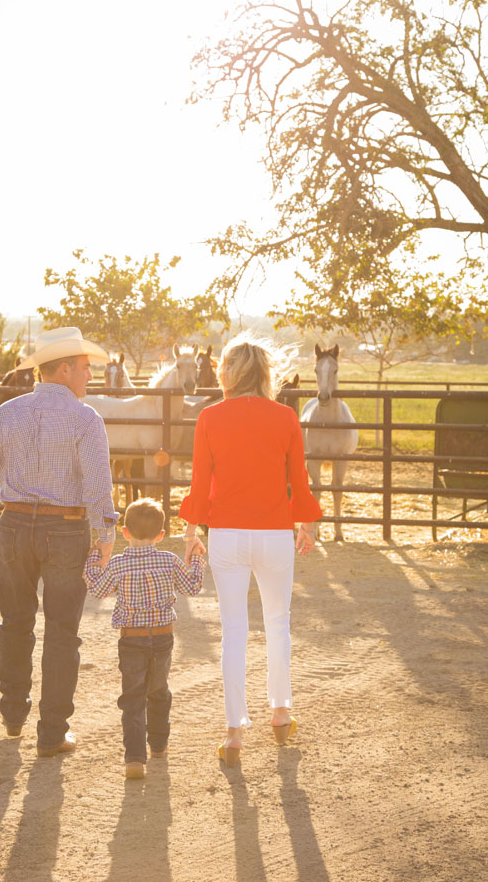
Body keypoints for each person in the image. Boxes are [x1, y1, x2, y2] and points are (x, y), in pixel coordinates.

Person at [0, 326, 118, 758]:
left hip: (15, 527)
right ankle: (53, 732)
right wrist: (106, 534)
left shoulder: (8, 413)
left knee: (15, 622)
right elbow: (98, 483)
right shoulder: (85, 418)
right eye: (84, 369)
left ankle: (13, 715)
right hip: (65, 529)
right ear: (63, 369)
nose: (89, 377)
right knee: (62, 631)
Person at [178, 333, 322, 765]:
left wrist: (190, 532)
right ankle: (280, 713)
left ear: (227, 372)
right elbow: (299, 476)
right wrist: (308, 524)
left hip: (226, 536)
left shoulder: (210, 417)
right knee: (278, 623)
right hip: (276, 533)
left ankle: (234, 733)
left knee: (233, 630)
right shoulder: (284, 418)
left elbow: (200, 484)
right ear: (264, 373)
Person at [83, 497, 206, 779]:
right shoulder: (169, 560)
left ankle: (134, 758)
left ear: (124, 532)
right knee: (159, 691)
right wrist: (197, 556)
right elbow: (192, 587)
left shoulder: (117, 565)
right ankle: (159, 745)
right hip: (163, 638)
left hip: (131, 640)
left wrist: (94, 556)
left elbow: (98, 591)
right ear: (161, 535)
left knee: (133, 697)